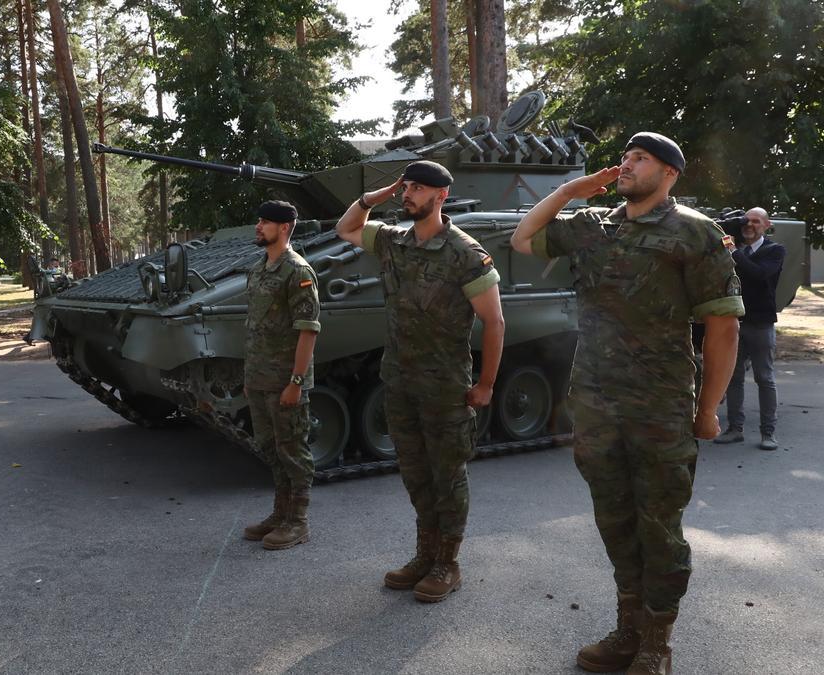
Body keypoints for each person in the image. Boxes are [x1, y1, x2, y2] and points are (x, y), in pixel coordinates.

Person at [511, 132, 742, 675]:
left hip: (658, 406)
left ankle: (656, 643)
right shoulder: (596, 226)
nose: (627, 165)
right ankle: (628, 630)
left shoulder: (694, 232)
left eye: (641, 159)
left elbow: (724, 326)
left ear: (670, 173)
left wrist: (708, 409)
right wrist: (576, 187)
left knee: (658, 526)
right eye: (625, 158)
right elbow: (525, 237)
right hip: (594, 403)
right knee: (615, 521)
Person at [335, 161, 505, 603]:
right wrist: (377, 195)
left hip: (445, 387)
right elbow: (346, 228)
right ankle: (425, 554)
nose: (409, 193)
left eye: (418, 188)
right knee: (414, 473)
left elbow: (494, 321)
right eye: (406, 187)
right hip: (400, 381)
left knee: (447, 476)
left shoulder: (466, 253)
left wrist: (485, 384)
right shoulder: (394, 241)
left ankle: (447, 562)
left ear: (441, 196)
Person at [240, 200, 321, 551]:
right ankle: (280, 513)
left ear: (284, 228)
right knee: (270, 448)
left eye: (265, 222)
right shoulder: (260, 268)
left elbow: (308, 331)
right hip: (259, 377)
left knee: (293, 451)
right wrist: (249, 377)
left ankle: (298, 521)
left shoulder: (297, 272)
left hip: (286, 380)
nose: (259, 227)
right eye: (259, 221)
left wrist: (296, 381)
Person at [714, 207, 785, 451]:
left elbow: (758, 274)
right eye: (746, 221)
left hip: (760, 323)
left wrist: (732, 250)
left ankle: (768, 433)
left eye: (756, 221)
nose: (749, 225)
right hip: (735, 322)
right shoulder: (735, 250)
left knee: (764, 378)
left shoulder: (774, 250)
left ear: (767, 225)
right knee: (733, 378)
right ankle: (735, 429)